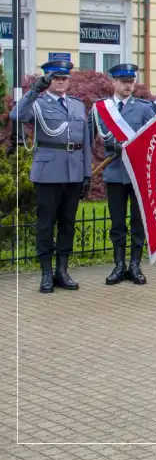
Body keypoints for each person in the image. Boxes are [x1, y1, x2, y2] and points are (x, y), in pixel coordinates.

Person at [11, 60, 91, 293]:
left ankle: (62, 271)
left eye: (64, 78)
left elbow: (84, 141)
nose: (61, 82)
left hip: (74, 171)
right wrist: (36, 89)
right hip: (48, 172)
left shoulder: (76, 105)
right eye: (56, 78)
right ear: (47, 79)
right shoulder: (37, 103)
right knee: (46, 224)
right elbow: (16, 115)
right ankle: (46, 272)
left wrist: (86, 174)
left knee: (68, 223)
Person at [91, 63, 156, 286]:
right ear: (114, 83)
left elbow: (152, 141)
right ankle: (119, 265)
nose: (129, 86)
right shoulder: (101, 108)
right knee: (117, 223)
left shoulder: (144, 108)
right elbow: (92, 138)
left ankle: (135, 265)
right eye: (124, 82)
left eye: (131, 82)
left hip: (138, 173)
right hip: (114, 172)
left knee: (138, 222)